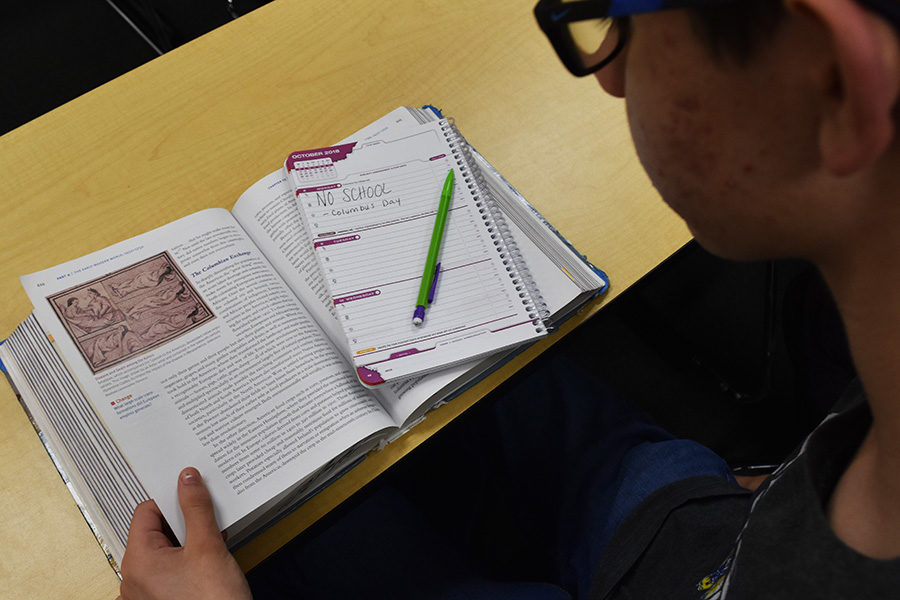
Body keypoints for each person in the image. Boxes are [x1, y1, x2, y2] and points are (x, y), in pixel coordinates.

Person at [115, 0, 900, 597]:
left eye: (618, 19)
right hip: (712, 537)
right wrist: (778, 493)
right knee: (505, 383)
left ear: (831, 78)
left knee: (304, 541)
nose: (611, 75)